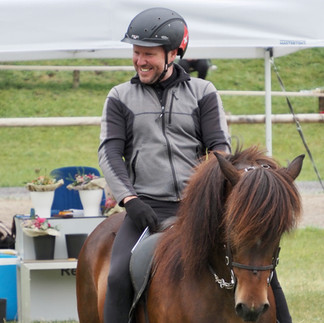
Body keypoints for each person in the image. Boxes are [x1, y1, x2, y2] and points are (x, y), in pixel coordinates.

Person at [98, 7, 290, 323]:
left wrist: (211, 195)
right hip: (145, 210)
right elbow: (109, 153)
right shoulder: (120, 96)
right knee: (117, 276)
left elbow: (219, 150)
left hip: (200, 210)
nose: (140, 61)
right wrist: (130, 200)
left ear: (173, 53)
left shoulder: (203, 93)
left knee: (267, 274)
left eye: (149, 54)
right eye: (136, 53)